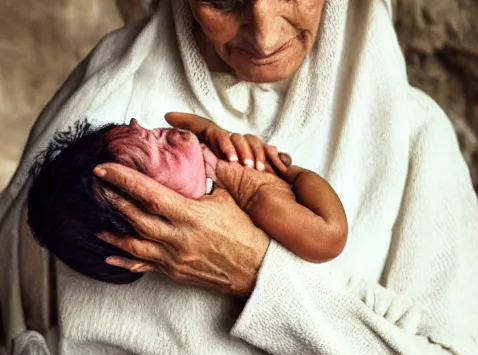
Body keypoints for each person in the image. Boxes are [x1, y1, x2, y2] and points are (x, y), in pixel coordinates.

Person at [1, 0, 478, 355]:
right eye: (223, 0)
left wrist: (256, 273)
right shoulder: (106, 102)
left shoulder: (409, 132)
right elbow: (19, 323)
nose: (265, 36)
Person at [27, 115, 347, 284]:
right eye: (160, 151)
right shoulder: (257, 201)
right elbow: (329, 236)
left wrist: (213, 132)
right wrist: (293, 175)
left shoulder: (208, 160)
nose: (156, 128)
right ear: (157, 223)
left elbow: (178, 118)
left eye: (147, 130)